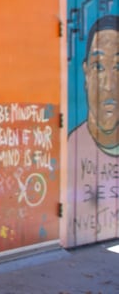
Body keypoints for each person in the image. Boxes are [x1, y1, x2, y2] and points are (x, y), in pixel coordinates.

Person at [67, 14, 119, 245]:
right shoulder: (71, 148)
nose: (109, 84)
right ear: (86, 73)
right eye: (99, 67)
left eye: (118, 67)